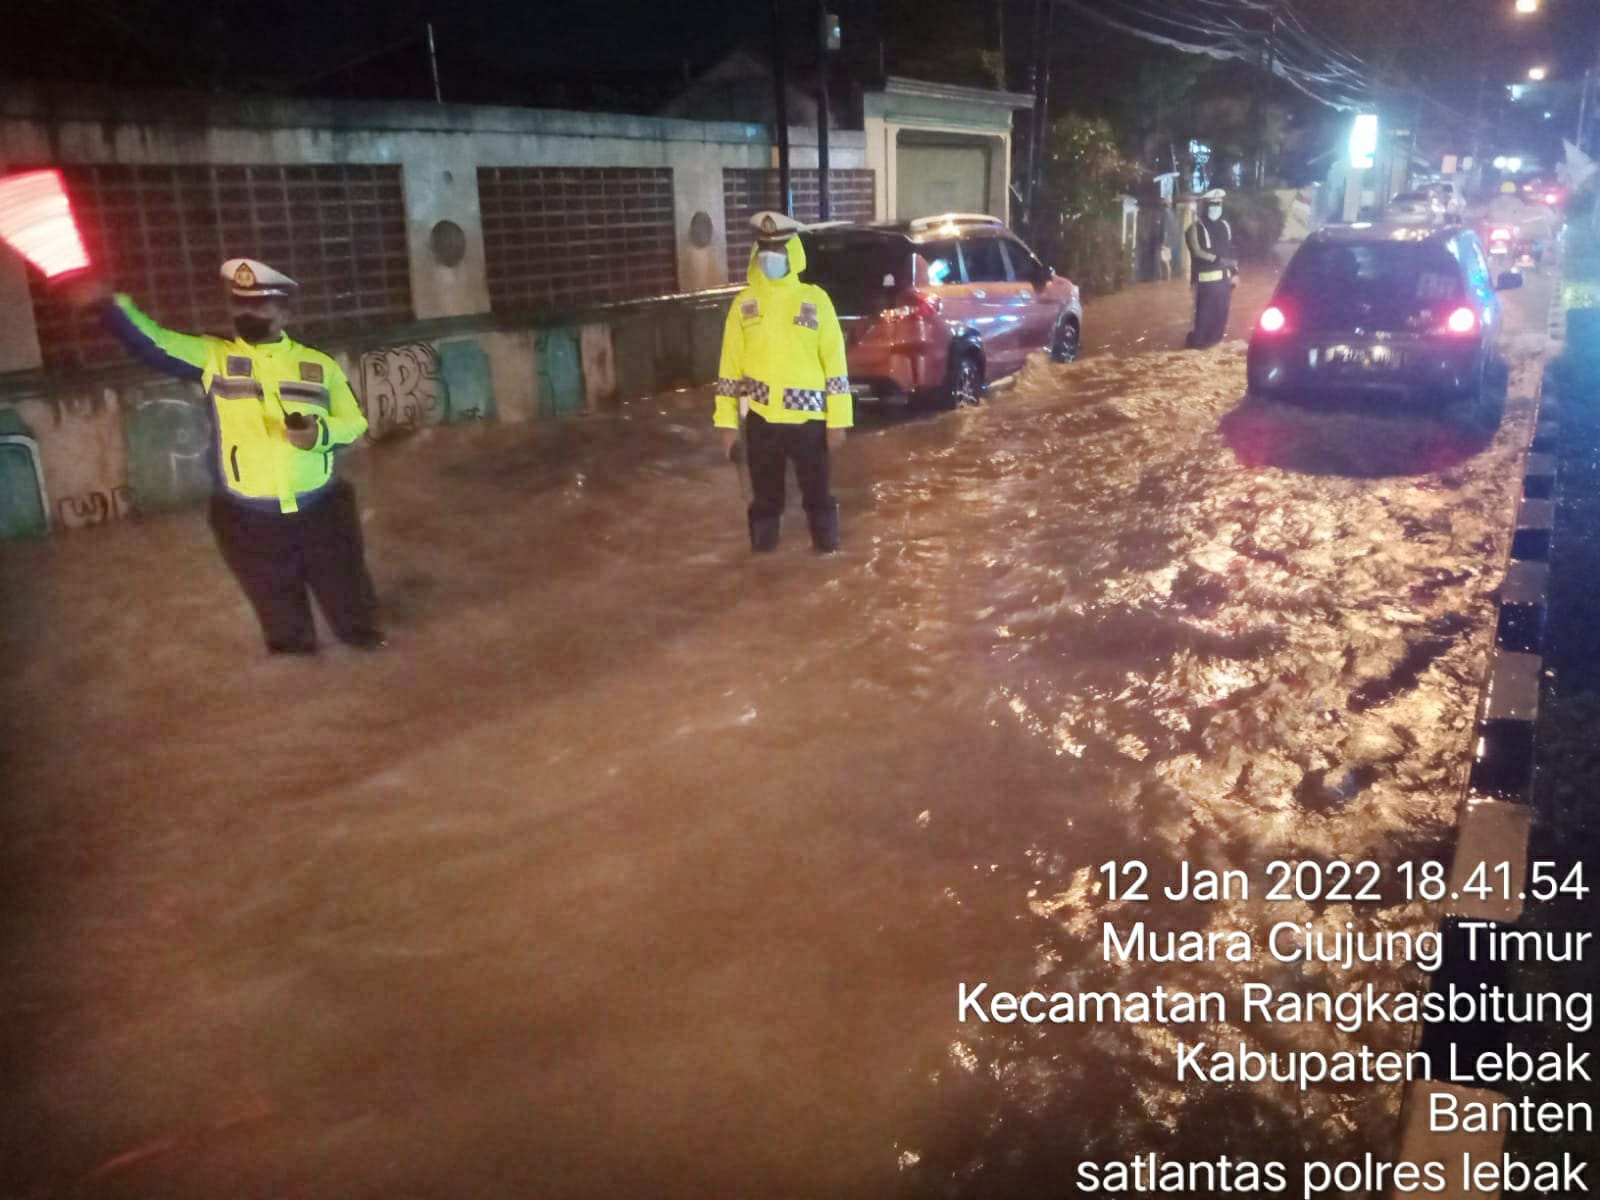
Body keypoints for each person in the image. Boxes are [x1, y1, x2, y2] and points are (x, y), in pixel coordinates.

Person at [73, 258, 384, 655]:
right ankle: (298, 675)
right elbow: (151, 341)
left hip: (322, 507)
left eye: (260, 303)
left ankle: (363, 644)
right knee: (279, 615)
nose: (248, 311)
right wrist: (110, 305)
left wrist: (319, 434)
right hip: (247, 518)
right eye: (240, 303)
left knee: (348, 590)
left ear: (284, 311)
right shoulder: (213, 358)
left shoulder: (318, 366)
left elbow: (354, 422)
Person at [714, 211, 852, 553]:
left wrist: (838, 422)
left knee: (817, 497)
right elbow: (729, 371)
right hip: (762, 423)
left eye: (778, 247)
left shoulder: (816, 300)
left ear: (794, 253)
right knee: (764, 501)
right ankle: (764, 567)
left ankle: (828, 556)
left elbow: (835, 367)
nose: (770, 255)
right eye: (764, 248)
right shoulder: (743, 305)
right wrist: (725, 425)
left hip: (810, 424)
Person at [1185, 188, 1239, 349]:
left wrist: (1236, 272)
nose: (1215, 209)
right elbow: (1197, 251)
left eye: (1218, 205)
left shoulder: (1225, 226)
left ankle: (1214, 348)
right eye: (1212, 205)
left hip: (1225, 283)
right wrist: (1219, 260)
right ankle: (1196, 348)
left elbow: (1231, 250)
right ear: (1205, 207)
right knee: (1203, 322)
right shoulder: (1194, 228)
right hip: (1205, 284)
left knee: (1220, 322)